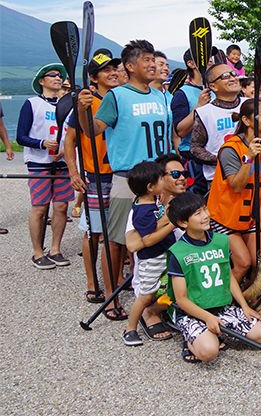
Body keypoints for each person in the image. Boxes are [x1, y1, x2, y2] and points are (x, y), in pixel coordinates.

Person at [78, 40, 173, 318]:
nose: (153, 64)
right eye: (146, 59)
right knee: (117, 239)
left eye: (153, 59)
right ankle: (110, 297)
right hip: (127, 177)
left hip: (159, 177)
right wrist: (84, 109)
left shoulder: (161, 96)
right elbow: (93, 129)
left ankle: (154, 296)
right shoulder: (117, 96)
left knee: (160, 234)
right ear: (130, 66)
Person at [167, 192, 261, 363]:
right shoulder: (178, 252)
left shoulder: (221, 240)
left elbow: (228, 276)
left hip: (220, 307)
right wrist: (206, 317)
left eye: (205, 209)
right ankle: (191, 341)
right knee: (209, 352)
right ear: (183, 223)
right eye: (198, 214)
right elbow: (181, 299)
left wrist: (244, 306)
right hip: (192, 313)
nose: (206, 215)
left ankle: (213, 333)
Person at [65, 50, 120, 302]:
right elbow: (71, 140)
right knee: (94, 232)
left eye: (115, 68)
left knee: (118, 232)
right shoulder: (86, 102)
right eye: (106, 70)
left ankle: (116, 278)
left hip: (121, 173)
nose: (113, 73)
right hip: (97, 175)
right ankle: (91, 281)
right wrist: (74, 172)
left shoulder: (122, 98)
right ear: (94, 78)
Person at [206, 100, 261, 285]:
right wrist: (249, 158)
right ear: (246, 120)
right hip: (224, 216)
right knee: (244, 263)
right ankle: (221, 298)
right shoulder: (230, 148)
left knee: (260, 261)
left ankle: (249, 298)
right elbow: (236, 185)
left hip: (249, 216)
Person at [18, 63, 74, 269]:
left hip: (61, 161)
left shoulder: (67, 104)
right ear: (42, 81)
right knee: (40, 208)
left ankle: (56, 248)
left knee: (61, 207)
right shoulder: (32, 104)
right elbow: (21, 136)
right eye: (52, 75)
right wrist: (41, 143)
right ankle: (37, 252)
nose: (58, 78)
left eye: (60, 75)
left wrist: (65, 150)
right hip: (39, 162)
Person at [122, 161, 178, 345]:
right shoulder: (143, 211)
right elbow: (148, 239)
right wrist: (171, 224)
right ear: (150, 186)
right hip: (152, 259)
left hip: (163, 255)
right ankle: (130, 328)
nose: (165, 180)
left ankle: (159, 313)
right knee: (146, 295)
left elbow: (157, 223)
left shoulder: (149, 202)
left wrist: (166, 216)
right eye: (161, 178)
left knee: (169, 288)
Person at [190, 63, 246, 190]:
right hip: (219, 179)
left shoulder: (250, 104)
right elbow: (195, 147)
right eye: (225, 76)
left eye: (233, 74)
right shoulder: (205, 113)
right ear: (213, 86)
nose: (232, 78)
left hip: (252, 174)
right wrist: (224, 161)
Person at [171, 50, 209, 191]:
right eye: (205, 57)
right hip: (194, 159)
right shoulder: (182, 94)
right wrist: (198, 106)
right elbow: (180, 130)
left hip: (215, 157)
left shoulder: (217, 90)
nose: (210, 60)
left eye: (210, 57)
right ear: (190, 63)